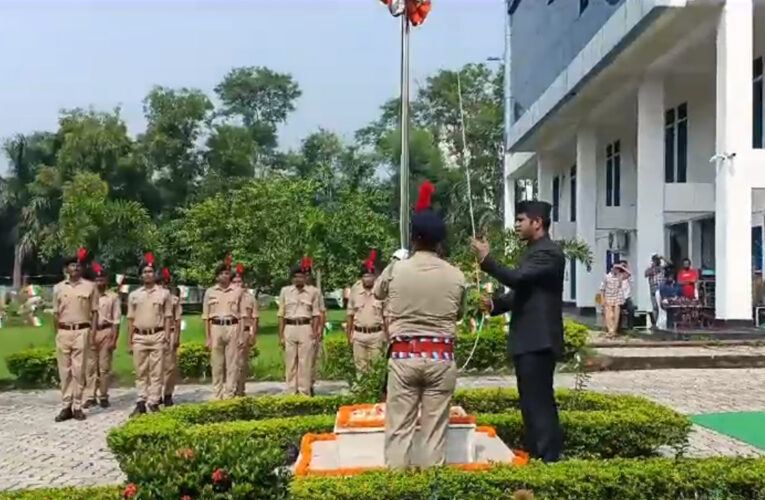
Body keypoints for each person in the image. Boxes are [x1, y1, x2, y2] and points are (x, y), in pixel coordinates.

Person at [375, 181, 467, 469]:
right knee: (434, 434)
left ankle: (397, 487)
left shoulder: (395, 269)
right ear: (440, 242)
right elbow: (460, 314)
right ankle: (431, 490)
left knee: (399, 429)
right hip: (441, 357)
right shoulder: (456, 275)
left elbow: (378, 293)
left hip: (403, 356)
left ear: (413, 239)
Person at [471, 200, 564, 463]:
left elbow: (519, 279)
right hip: (529, 340)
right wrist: (495, 305)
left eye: (521, 219)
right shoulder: (534, 251)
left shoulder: (548, 253)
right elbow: (525, 292)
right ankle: (536, 453)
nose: (517, 225)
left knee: (539, 402)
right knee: (530, 402)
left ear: (537, 222)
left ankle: (548, 458)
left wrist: (487, 260)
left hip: (539, 340)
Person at [53, 248, 98, 422]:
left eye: (78, 265)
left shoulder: (90, 287)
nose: (76, 268)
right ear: (67, 268)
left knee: (79, 370)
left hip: (82, 330)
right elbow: (55, 314)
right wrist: (57, 332)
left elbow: (94, 312)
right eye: (72, 265)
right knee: (64, 371)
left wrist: (92, 333)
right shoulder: (58, 288)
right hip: (64, 331)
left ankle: (78, 405)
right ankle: (66, 405)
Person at [127, 253, 172, 416]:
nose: (148, 274)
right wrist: (129, 341)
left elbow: (168, 317)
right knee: (140, 371)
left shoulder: (164, 294)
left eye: (150, 272)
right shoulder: (134, 295)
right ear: (141, 275)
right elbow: (130, 319)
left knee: (156, 370)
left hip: (158, 335)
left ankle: (153, 401)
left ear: (155, 274)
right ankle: (141, 401)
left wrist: (167, 337)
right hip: (139, 336)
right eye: (145, 272)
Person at [278, 261, 322, 396]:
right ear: (292, 278)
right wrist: (281, 335)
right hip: (290, 327)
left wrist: (314, 333)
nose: (299, 279)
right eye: (296, 276)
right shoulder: (285, 291)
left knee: (305, 362)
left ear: (306, 277)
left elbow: (316, 314)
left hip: (305, 327)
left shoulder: (314, 292)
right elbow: (281, 314)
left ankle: (304, 392)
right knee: (290, 362)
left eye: (301, 276)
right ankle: (291, 391)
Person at [202, 258, 243, 400]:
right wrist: (207, 337)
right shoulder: (210, 292)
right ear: (217, 276)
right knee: (216, 363)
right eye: (221, 273)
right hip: (216, 327)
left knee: (232, 363)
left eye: (226, 273)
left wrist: (242, 335)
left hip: (232, 326)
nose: (224, 276)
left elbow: (242, 315)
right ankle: (217, 393)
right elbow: (205, 316)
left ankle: (229, 393)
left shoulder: (237, 291)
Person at [84, 262, 120, 409]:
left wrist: (114, 338)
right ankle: (90, 396)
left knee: (104, 367)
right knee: (90, 367)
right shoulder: (88, 296)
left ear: (106, 280)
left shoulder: (113, 297)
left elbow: (117, 320)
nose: (99, 282)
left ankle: (103, 395)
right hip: (90, 332)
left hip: (106, 331)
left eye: (102, 279)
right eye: (97, 280)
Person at [347, 250, 386, 373]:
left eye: (370, 276)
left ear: (375, 277)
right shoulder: (355, 289)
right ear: (361, 277)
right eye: (365, 276)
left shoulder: (381, 290)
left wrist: (387, 335)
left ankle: (374, 392)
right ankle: (361, 392)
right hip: (359, 335)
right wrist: (349, 335)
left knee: (376, 369)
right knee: (360, 369)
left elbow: (386, 315)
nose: (368, 279)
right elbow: (350, 315)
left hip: (376, 334)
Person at [232, 264, 259, 397]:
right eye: (234, 282)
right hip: (230, 331)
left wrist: (253, 334)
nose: (237, 284)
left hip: (244, 331)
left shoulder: (250, 298)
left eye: (239, 282)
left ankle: (240, 390)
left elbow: (255, 317)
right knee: (230, 362)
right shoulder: (228, 296)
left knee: (241, 363)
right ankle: (229, 389)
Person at [160, 268, 182, 406]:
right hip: (156, 331)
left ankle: (168, 393)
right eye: (161, 283)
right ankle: (155, 393)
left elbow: (178, 320)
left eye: (166, 283)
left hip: (171, 331)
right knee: (155, 366)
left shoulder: (174, 300)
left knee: (170, 366)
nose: (164, 286)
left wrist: (177, 337)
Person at [600, 263, 630, 337]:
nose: (616, 270)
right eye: (614, 268)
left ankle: (614, 330)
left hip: (617, 297)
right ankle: (610, 329)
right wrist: (602, 299)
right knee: (609, 314)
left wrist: (621, 267)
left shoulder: (620, 276)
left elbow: (629, 274)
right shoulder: (607, 277)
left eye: (617, 269)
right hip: (608, 296)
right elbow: (602, 289)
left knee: (616, 314)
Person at [645, 254, 667, 325]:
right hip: (653, 289)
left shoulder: (662, 268)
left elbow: (671, 264)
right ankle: (654, 323)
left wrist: (663, 258)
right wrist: (653, 267)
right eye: (655, 260)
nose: (656, 262)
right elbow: (646, 274)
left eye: (657, 260)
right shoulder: (651, 269)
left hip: (661, 289)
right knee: (655, 307)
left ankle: (663, 322)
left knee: (663, 306)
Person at [619, 260, 636, 330]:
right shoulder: (618, 275)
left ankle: (630, 327)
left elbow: (630, 275)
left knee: (631, 309)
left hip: (627, 298)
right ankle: (618, 326)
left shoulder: (628, 276)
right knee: (618, 311)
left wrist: (626, 267)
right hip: (619, 298)